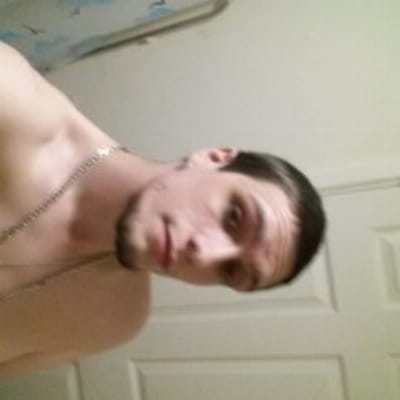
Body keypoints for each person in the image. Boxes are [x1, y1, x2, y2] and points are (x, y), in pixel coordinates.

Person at [0, 41, 326, 375]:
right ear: (213, 157)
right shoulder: (13, 104)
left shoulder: (112, 322)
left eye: (231, 271)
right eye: (234, 216)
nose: (205, 254)